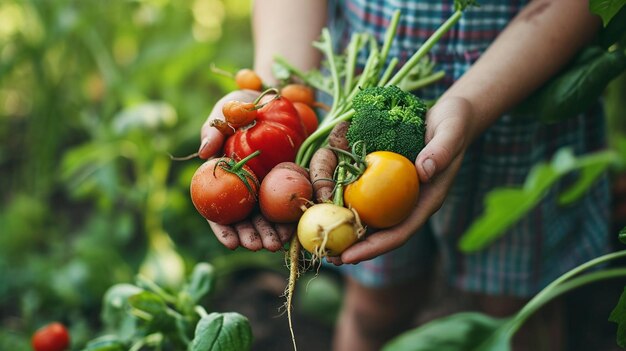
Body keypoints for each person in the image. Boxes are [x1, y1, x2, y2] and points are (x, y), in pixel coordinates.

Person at [198, 1, 610, 350]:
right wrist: (275, 91)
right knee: (375, 304)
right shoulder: (343, 156)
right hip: (364, 141)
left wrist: (468, 103)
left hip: (525, 99)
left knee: (519, 310)